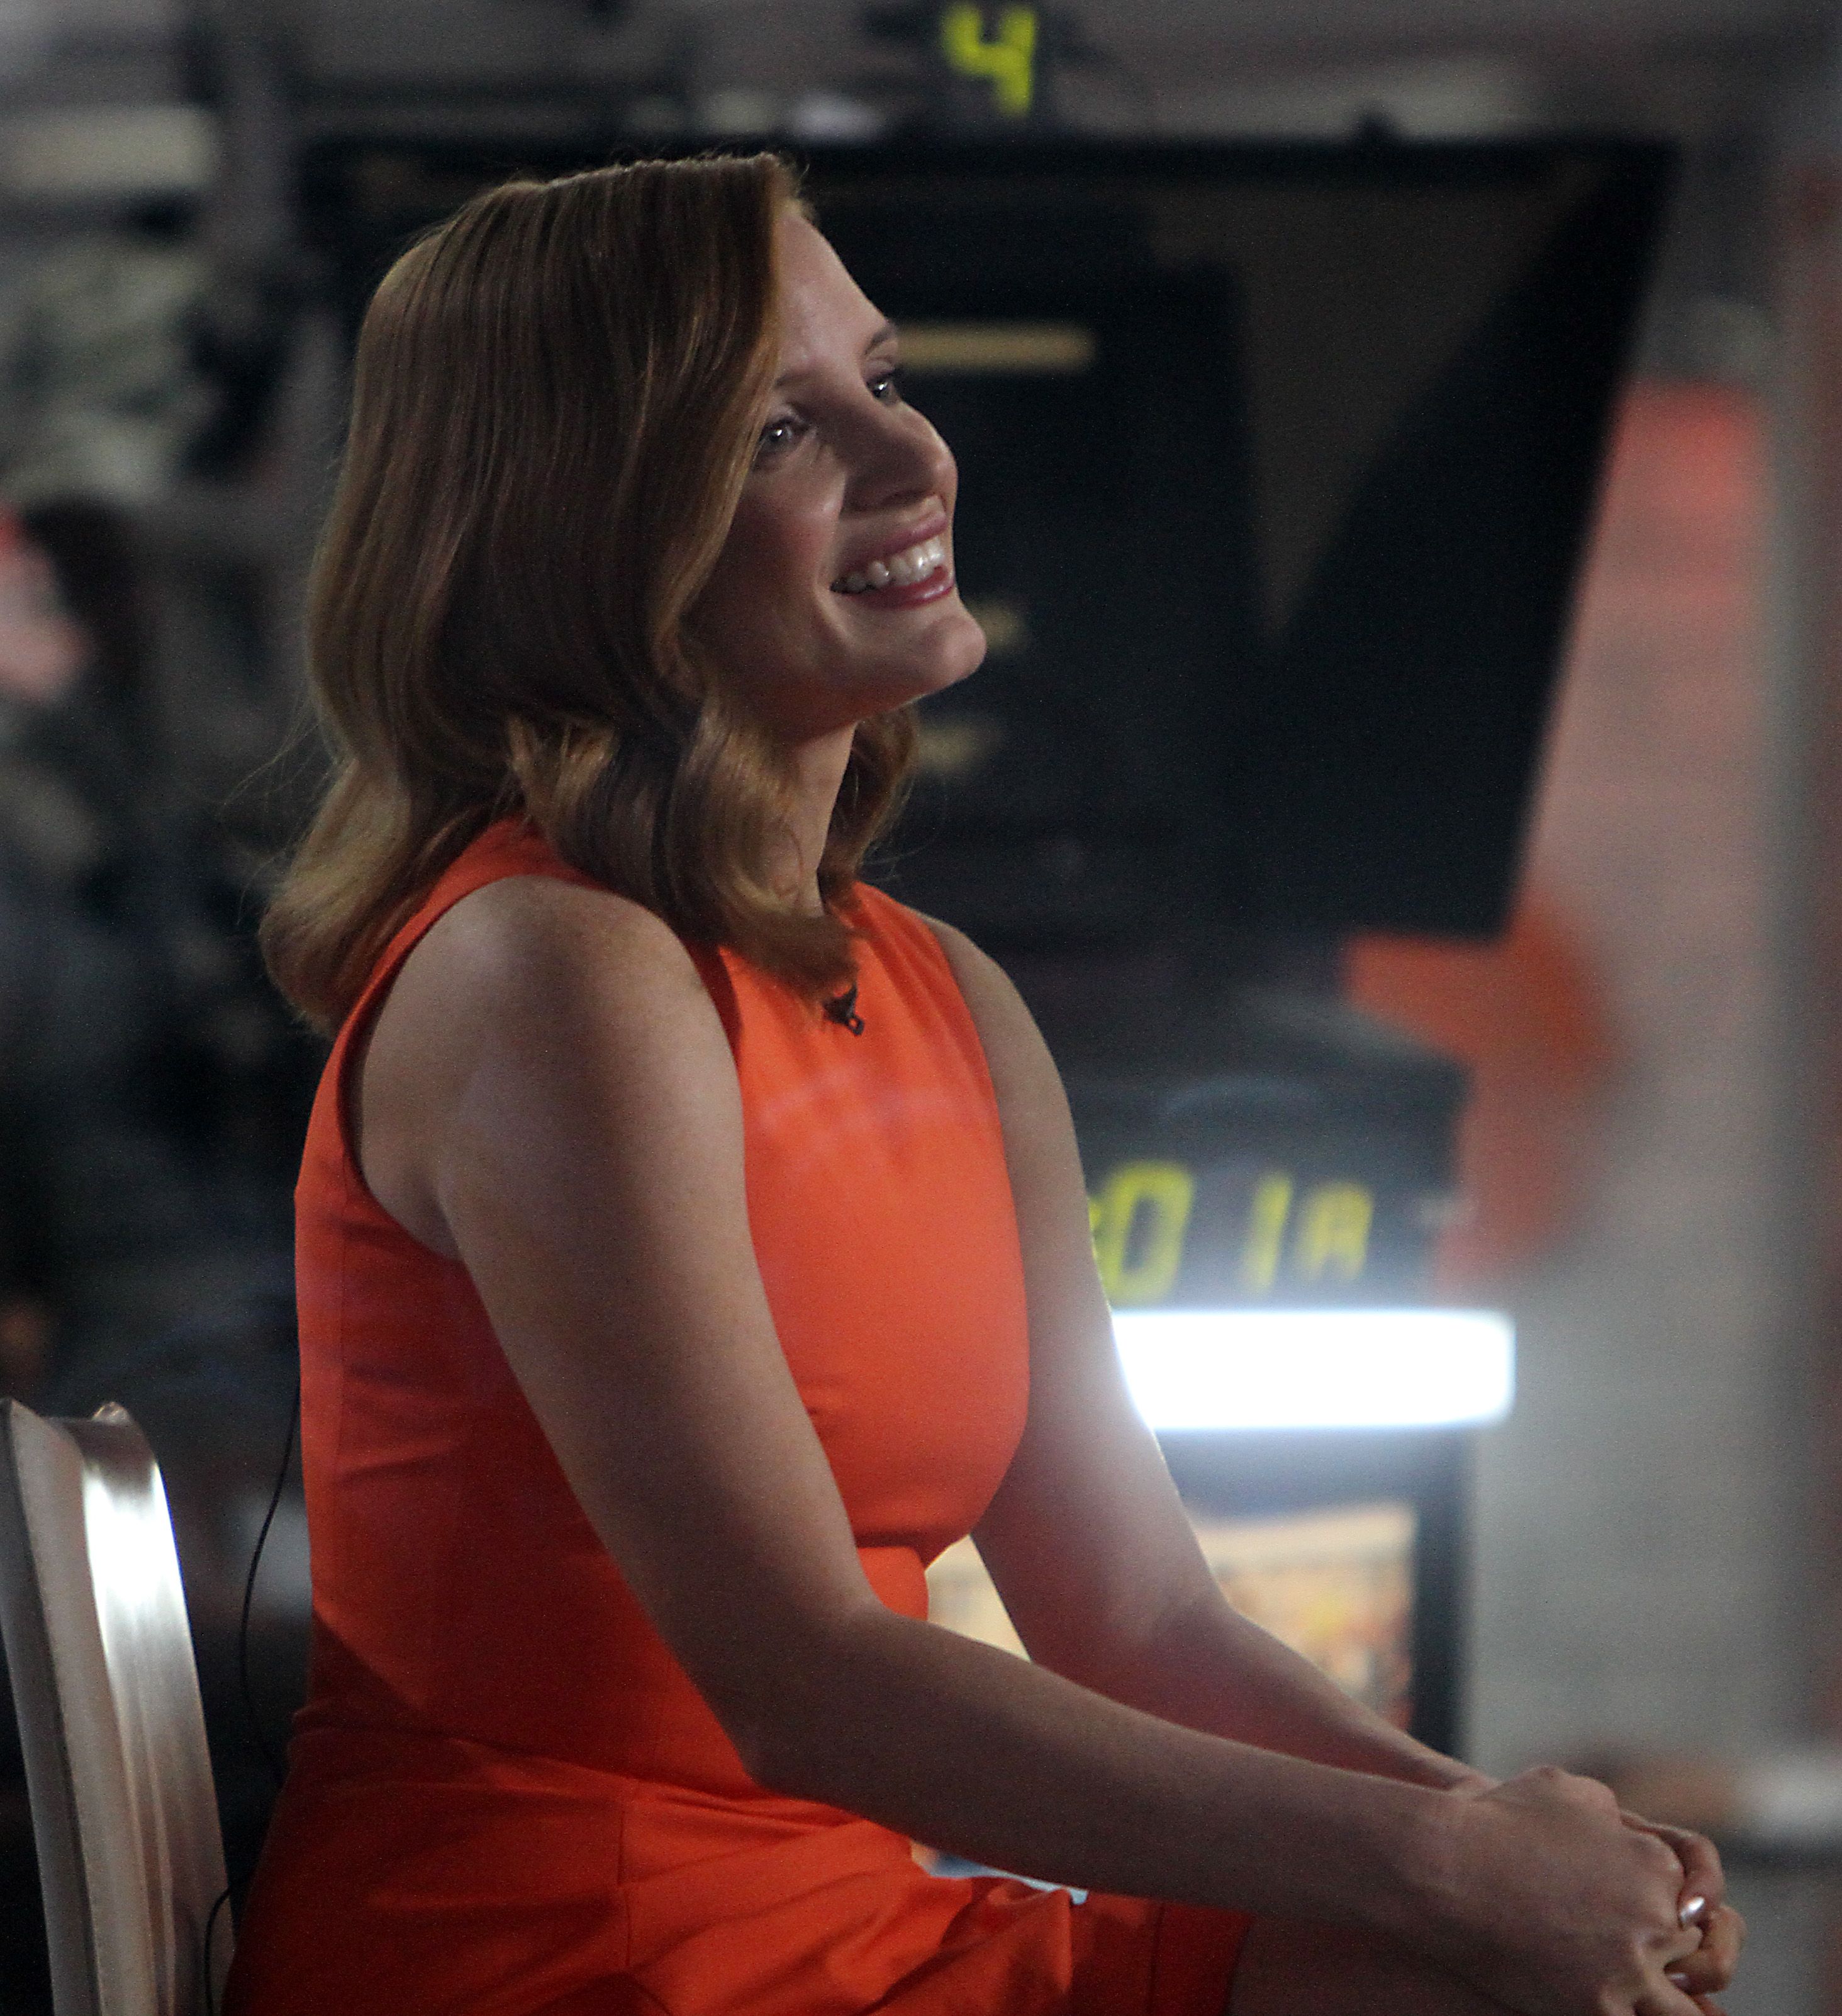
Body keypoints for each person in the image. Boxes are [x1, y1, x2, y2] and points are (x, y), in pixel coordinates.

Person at [225, 155, 1743, 2016]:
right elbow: (803, 1683)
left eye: (886, 378)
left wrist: (1518, 1852)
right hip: (566, 1960)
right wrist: (1446, 1873)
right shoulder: (554, 972)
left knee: (1514, 1977)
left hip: (862, 1938)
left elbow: (1140, 1617)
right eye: (781, 430)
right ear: (585, 532)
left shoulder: (948, 992)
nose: (913, 456)